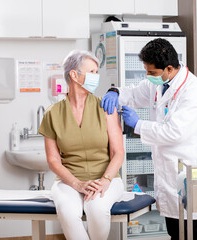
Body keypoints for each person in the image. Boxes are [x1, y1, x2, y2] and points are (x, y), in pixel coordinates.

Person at [101, 38, 197, 240]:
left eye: (152, 72)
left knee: (195, 232)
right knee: (177, 231)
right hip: (168, 174)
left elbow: (175, 132)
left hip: (185, 171)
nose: (148, 76)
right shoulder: (160, 82)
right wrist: (115, 91)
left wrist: (137, 124)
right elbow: (135, 94)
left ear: (169, 68)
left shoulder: (193, 91)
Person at [38, 50, 124, 240]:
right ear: (74, 75)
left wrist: (105, 180)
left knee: (97, 209)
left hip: (107, 178)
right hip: (68, 181)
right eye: (92, 72)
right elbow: (53, 161)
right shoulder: (52, 114)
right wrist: (76, 184)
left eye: (96, 72)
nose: (96, 77)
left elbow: (118, 152)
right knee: (67, 211)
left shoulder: (106, 108)